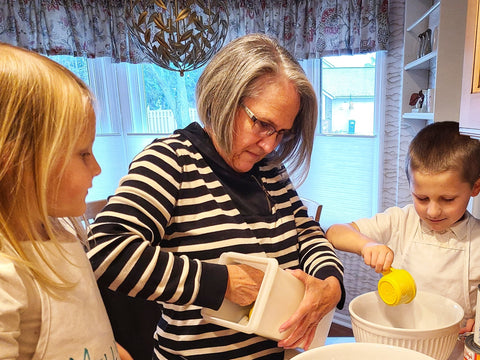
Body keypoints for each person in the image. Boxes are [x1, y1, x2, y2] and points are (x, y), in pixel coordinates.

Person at [87, 33, 345, 359]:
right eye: (262, 124)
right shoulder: (170, 161)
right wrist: (221, 283)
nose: (270, 145)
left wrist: (330, 282)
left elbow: (306, 232)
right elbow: (107, 251)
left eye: (281, 132)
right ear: (224, 97)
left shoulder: (270, 171)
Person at [0, 43, 132, 359]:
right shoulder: (6, 275)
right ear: (16, 159)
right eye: (83, 154)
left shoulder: (64, 230)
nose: (97, 168)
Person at [326, 121, 480, 359]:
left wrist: (477, 324)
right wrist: (368, 244)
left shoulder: (477, 241)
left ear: (475, 188)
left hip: (449, 354)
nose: (433, 211)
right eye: (422, 197)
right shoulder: (401, 222)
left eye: (448, 199)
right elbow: (335, 232)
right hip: (395, 350)